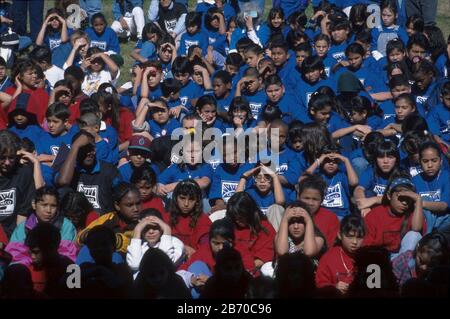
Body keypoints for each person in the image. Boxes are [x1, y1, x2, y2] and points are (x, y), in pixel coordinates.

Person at [5, 186, 77, 265]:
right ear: (34, 204)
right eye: (44, 205)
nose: (48, 210)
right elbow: (15, 256)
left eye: (53, 206)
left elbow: (67, 255)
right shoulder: (24, 227)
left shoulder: (65, 226)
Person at [55, 130, 121, 214]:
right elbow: (63, 182)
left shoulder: (109, 170)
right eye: (84, 149)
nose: (89, 153)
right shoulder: (68, 170)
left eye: (92, 148)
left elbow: (121, 195)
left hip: (103, 222)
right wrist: (76, 146)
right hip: (77, 221)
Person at [363, 175, 425, 259]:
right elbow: (367, 245)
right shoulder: (375, 215)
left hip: (401, 258)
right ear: (389, 196)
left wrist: (418, 200)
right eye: (401, 198)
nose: (404, 203)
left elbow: (416, 229)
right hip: (379, 257)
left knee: (414, 235)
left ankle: (400, 270)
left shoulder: (412, 214)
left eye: (408, 199)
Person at [225, 192, 276, 273]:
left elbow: (264, 257)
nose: (237, 220)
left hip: (254, 271)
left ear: (250, 212)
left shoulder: (264, 227)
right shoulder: (228, 226)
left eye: (241, 216)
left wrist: (244, 270)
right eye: (234, 216)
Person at [316, 215, 366, 295]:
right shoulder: (328, 258)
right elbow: (320, 285)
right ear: (340, 235)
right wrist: (334, 287)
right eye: (350, 237)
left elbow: (375, 285)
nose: (355, 242)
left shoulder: (368, 257)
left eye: (359, 238)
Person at [127, 208, 184, 277]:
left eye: (155, 227)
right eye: (146, 228)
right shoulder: (139, 244)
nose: (151, 232)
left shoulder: (175, 242)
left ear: (162, 226)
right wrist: (137, 230)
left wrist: (167, 230)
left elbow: (164, 264)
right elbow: (134, 264)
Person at [0, 130, 35, 237]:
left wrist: (17, 241)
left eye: (11, 157)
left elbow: (23, 213)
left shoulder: (24, 173)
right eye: (2, 157)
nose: (7, 163)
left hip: (14, 232)